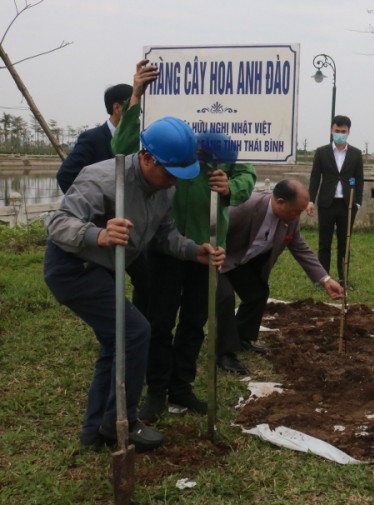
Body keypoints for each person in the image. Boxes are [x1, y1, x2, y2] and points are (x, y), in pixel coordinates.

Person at [43, 116, 225, 451]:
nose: (173, 182)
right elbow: (57, 224)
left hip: (105, 270)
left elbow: (162, 235)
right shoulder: (102, 178)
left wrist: (193, 251)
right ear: (146, 157)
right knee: (135, 331)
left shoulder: (162, 191)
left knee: (115, 344)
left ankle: (94, 431)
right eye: (170, 173)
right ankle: (120, 421)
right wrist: (99, 234)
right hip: (74, 267)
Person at [110, 60, 257, 421]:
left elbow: (248, 175)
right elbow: (123, 146)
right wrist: (137, 95)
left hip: (208, 249)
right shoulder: (173, 138)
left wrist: (230, 188)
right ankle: (156, 392)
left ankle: (182, 386)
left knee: (194, 321)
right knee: (158, 321)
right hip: (163, 246)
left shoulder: (221, 143)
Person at [217, 180, 345, 374]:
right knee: (225, 297)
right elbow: (216, 231)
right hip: (219, 258)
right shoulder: (245, 207)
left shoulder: (290, 220)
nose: (297, 216)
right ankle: (225, 353)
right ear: (280, 201)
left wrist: (325, 279)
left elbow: (300, 248)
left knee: (257, 293)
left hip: (243, 261)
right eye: (296, 211)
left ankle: (242, 337)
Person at [307, 116, 364, 289]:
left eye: (343, 131)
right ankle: (323, 279)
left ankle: (343, 279)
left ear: (348, 132)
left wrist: (358, 203)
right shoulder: (322, 152)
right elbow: (315, 177)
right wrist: (311, 200)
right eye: (337, 131)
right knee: (324, 243)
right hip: (326, 203)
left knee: (344, 244)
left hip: (347, 205)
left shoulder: (356, 154)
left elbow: (360, 179)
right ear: (332, 130)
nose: (340, 134)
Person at [56, 83, 133, 193]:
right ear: (117, 107)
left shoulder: (137, 138)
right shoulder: (92, 139)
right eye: (133, 104)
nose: (138, 110)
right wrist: (88, 205)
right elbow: (65, 175)